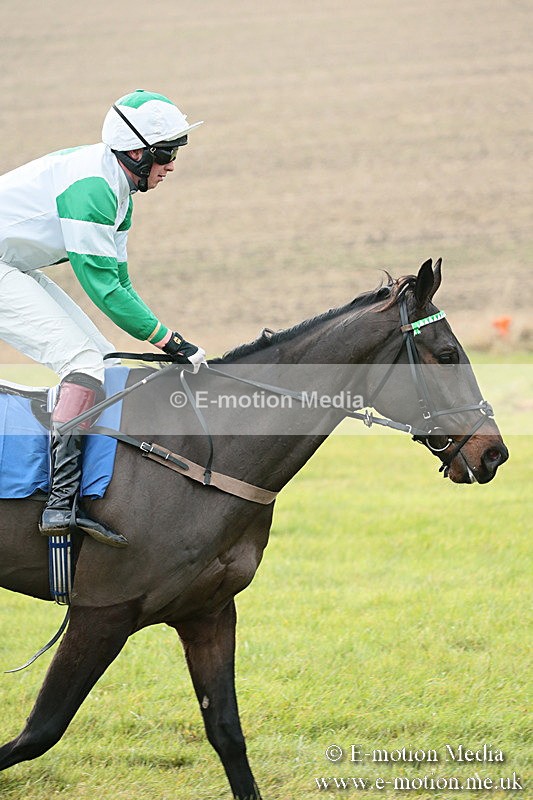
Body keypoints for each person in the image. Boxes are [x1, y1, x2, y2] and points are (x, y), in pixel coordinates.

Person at [0, 89, 206, 548]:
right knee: (83, 364)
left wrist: (171, 339)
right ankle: (59, 502)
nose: (172, 165)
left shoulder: (119, 191)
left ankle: (90, 489)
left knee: (104, 363)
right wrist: (173, 343)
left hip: (11, 264)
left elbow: (121, 282)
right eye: (167, 154)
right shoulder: (93, 188)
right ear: (136, 151)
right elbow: (104, 290)